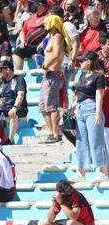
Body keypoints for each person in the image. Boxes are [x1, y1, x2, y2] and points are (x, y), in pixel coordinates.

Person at [70, 51, 109, 183]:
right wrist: (73, 106)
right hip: (80, 109)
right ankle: (81, 173)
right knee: (81, 142)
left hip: (92, 108)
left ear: (89, 61)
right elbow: (79, 93)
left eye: (82, 60)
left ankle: (103, 172)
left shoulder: (98, 77)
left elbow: (99, 96)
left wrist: (98, 113)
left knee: (96, 141)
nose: (80, 63)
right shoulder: (82, 76)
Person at [40, 15, 70, 144]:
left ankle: (56, 134)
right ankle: (51, 132)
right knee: (43, 107)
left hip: (54, 74)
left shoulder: (57, 37)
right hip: (48, 75)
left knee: (51, 107)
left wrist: (46, 65)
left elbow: (57, 54)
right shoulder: (50, 37)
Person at [12, 0, 49, 70]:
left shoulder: (49, 16)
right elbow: (23, 30)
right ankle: (20, 75)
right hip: (29, 44)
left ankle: (40, 75)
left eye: (35, 4)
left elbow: (51, 31)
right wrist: (22, 41)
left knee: (40, 55)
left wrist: (44, 42)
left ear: (41, 5)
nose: (33, 6)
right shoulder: (31, 17)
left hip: (41, 45)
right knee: (16, 53)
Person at [0, 61, 28, 144]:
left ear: (7, 70)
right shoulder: (1, 82)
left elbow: (20, 94)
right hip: (4, 107)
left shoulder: (19, 79)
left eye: (0, 70)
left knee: (13, 113)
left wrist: (15, 107)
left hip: (18, 107)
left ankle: (10, 140)